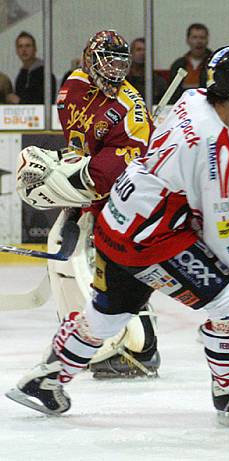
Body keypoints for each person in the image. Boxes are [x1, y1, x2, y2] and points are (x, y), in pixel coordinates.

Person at [8, 45, 229, 428]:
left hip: (116, 221)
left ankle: (44, 380)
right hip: (152, 240)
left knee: (107, 314)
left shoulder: (192, 99)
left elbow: (200, 184)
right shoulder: (224, 152)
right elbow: (221, 232)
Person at [29, 30, 162, 379]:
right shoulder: (72, 87)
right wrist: (66, 171)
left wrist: (63, 183)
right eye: (109, 62)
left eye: (122, 64)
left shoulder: (130, 113)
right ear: (90, 60)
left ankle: (143, 348)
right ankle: (82, 340)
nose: (115, 72)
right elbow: (76, 142)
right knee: (61, 254)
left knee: (120, 268)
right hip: (91, 195)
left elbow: (114, 174)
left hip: (124, 201)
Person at [8, 31, 55, 104]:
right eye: (20, 46)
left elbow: (46, 104)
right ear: (17, 51)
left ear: (35, 49)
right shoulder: (21, 75)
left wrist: (19, 101)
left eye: (27, 46)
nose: (24, 50)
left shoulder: (45, 75)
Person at [168, 23, 211, 102]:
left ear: (207, 40)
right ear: (188, 40)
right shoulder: (178, 65)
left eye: (202, 37)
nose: (199, 41)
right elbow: (172, 93)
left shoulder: (214, 64)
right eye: (194, 37)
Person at [127, 37, 167, 103]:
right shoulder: (124, 81)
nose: (142, 53)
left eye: (146, 50)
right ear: (131, 53)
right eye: (138, 50)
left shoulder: (159, 82)